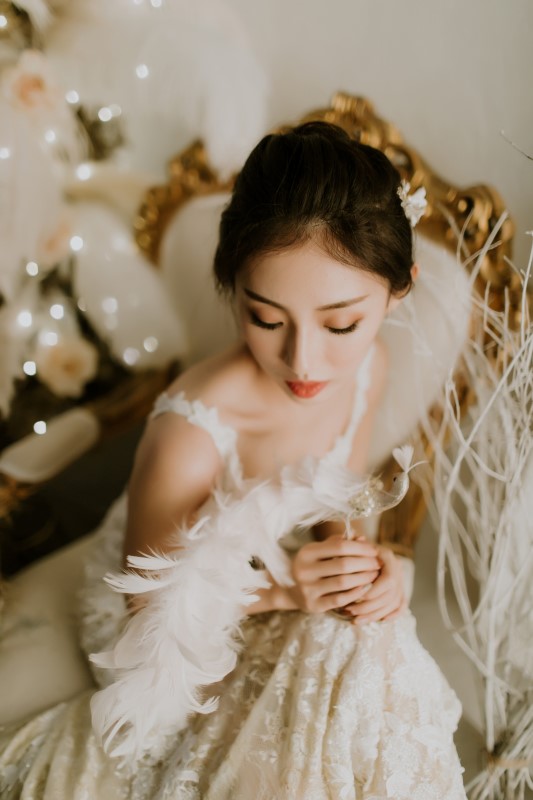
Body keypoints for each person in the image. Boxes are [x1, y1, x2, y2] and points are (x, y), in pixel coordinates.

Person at [0, 122, 466, 799]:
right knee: (343, 653)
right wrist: (287, 594)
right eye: (267, 319)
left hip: (270, 570)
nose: (304, 361)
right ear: (234, 289)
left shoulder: (370, 368)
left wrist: (363, 570)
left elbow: (337, 500)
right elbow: (149, 613)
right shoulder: (192, 424)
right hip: (155, 613)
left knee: (372, 641)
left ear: (398, 292)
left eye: (341, 324)